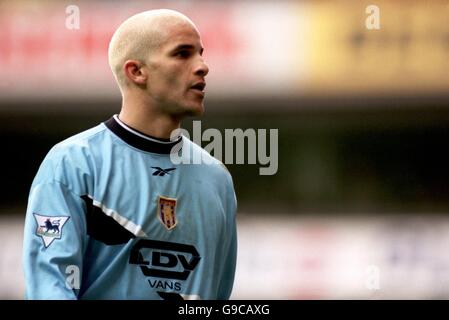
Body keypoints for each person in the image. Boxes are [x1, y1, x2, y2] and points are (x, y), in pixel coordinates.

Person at [23, 9, 237, 300]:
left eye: (200, 53)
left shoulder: (217, 179)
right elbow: (50, 288)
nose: (202, 66)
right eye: (182, 54)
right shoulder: (72, 164)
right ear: (136, 71)